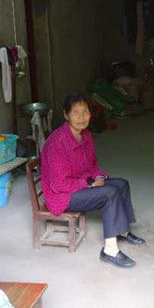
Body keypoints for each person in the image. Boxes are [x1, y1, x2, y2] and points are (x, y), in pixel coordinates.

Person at [41, 93, 145, 269]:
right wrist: (88, 184)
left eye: (85, 112)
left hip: (81, 183)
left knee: (121, 184)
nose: (81, 117)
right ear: (66, 115)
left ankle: (122, 230)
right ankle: (110, 251)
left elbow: (92, 166)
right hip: (62, 196)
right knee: (110, 193)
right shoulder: (58, 142)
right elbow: (58, 185)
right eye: (76, 112)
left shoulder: (86, 135)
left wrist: (99, 177)